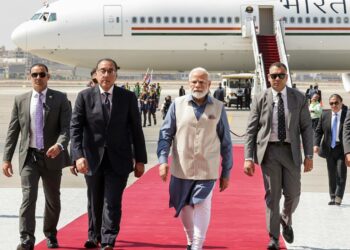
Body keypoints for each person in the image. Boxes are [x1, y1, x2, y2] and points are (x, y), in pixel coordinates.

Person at [70, 58, 147, 250]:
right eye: (102, 71)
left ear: (116, 74)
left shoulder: (127, 97)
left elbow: (136, 130)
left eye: (110, 71)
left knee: (112, 201)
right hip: (91, 159)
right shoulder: (84, 97)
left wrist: (140, 160)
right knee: (94, 201)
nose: (106, 74)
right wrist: (77, 156)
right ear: (96, 74)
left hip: (119, 159)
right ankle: (93, 235)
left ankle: (108, 239)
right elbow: (75, 129)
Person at [157, 67, 233, 250]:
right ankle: (191, 240)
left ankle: (197, 246)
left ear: (209, 84)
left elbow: (226, 142)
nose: (198, 85)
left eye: (202, 82)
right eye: (194, 82)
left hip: (207, 168)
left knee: (202, 204)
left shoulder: (218, 107)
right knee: (184, 206)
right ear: (189, 83)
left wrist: (226, 172)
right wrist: (162, 161)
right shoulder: (177, 104)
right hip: (181, 167)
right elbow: (165, 134)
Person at [244, 62, 313, 250]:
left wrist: (309, 155)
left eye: (281, 75)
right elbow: (251, 130)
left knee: (294, 194)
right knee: (272, 197)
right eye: (273, 75)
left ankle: (285, 219)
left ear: (286, 77)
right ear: (268, 77)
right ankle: (273, 237)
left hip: (291, 153)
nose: (277, 79)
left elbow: (307, 128)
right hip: (270, 153)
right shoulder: (260, 98)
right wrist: (248, 157)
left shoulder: (298, 98)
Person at [2, 63, 71, 250]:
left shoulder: (60, 99)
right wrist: (6, 158)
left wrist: (59, 145)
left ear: (48, 77)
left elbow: (67, 128)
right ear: (29, 77)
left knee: (52, 199)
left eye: (42, 74)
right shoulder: (20, 100)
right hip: (29, 157)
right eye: (34, 74)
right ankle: (26, 238)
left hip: (52, 156)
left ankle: (50, 234)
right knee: (28, 197)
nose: (38, 78)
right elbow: (13, 131)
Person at [314, 94, 348, 206]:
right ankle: (332, 197)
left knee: (341, 174)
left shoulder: (347, 115)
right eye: (331, 103)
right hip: (329, 149)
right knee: (331, 174)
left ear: (341, 102)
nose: (334, 105)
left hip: (342, 149)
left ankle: (338, 197)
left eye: (336, 103)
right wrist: (316, 144)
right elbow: (318, 131)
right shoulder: (325, 115)